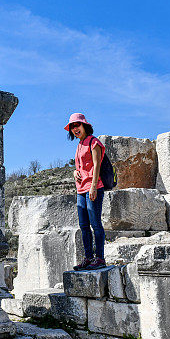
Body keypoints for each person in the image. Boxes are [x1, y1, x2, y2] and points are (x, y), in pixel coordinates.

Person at [65, 113, 106, 270]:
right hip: (80, 189)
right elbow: (81, 166)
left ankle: (100, 258)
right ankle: (88, 258)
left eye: (77, 125)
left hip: (93, 187)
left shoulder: (93, 142)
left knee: (95, 223)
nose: (75, 129)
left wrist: (94, 186)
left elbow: (97, 165)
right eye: (72, 127)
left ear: (85, 126)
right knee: (83, 225)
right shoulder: (79, 145)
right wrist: (75, 172)